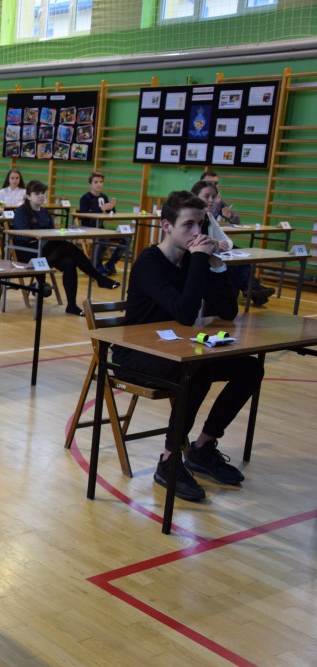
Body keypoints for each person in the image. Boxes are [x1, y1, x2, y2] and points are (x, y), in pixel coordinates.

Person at [113, 190, 261, 501]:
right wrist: (199, 260)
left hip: (179, 349)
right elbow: (184, 313)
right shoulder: (149, 263)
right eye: (188, 225)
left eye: (201, 225)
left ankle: (203, 447)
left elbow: (228, 311)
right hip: (137, 354)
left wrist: (216, 265)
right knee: (197, 371)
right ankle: (169, 461)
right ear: (166, 225)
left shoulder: (195, 260)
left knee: (249, 368)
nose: (197, 233)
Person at [11, 180, 120, 316]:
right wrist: (43, 236)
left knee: (69, 262)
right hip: (27, 252)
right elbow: (22, 236)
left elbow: (51, 233)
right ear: (28, 196)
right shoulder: (22, 211)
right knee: (68, 247)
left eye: (43, 193)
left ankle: (72, 306)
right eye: (37, 193)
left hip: (45, 250)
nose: (41, 196)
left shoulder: (44, 212)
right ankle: (99, 278)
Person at [190, 179, 275, 306]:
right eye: (206, 196)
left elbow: (227, 239)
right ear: (195, 197)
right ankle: (253, 290)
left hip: (213, 255)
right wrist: (215, 244)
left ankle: (252, 290)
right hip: (197, 259)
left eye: (213, 196)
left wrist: (222, 245)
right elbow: (193, 242)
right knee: (229, 269)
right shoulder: (189, 217)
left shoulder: (209, 216)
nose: (211, 200)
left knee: (240, 259)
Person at [78, 171, 124, 275]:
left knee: (126, 237)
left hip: (100, 228)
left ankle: (111, 264)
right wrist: (100, 208)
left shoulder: (104, 196)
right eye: (96, 182)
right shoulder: (85, 198)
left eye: (101, 182)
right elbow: (83, 215)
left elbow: (110, 214)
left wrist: (112, 207)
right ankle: (96, 266)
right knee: (103, 238)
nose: (99, 184)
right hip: (87, 228)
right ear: (91, 184)